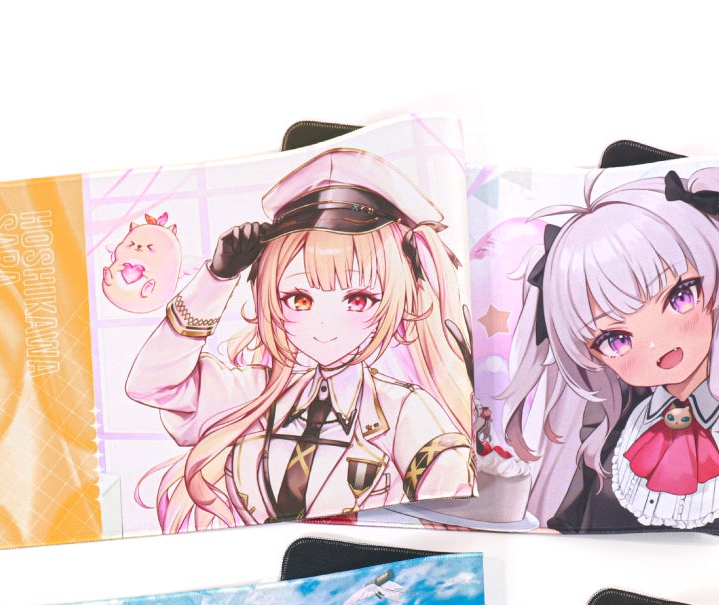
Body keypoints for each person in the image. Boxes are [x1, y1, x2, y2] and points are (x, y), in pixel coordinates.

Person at [127, 148, 475, 531]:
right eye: (299, 299)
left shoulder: (402, 410)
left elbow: (452, 488)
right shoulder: (257, 394)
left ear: (399, 299)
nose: (324, 324)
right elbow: (152, 385)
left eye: (359, 299)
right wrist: (216, 280)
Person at [502, 165, 719, 533]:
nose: (657, 345)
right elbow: (575, 517)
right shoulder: (614, 420)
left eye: (680, 296)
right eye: (615, 339)